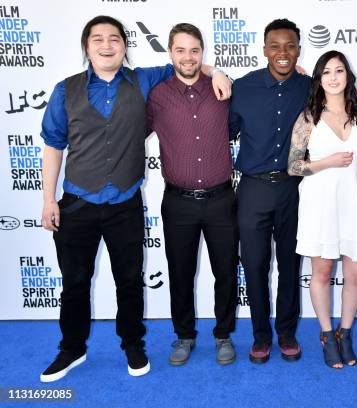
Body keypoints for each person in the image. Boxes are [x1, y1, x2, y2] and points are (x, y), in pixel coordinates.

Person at [39, 15, 231, 382]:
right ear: (87, 47)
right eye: (98, 39)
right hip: (77, 202)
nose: (107, 45)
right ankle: (72, 349)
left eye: (114, 38)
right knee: (74, 280)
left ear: (125, 46)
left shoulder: (143, 79)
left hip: (125, 203)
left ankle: (133, 344)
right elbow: (53, 145)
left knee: (129, 280)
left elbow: (187, 63)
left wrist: (216, 70)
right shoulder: (66, 90)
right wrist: (49, 199)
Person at [146, 23, 238, 367]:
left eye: (194, 50)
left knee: (226, 271)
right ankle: (183, 335)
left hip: (221, 200)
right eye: (181, 50)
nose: (188, 57)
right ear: (170, 53)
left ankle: (223, 334)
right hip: (178, 201)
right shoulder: (156, 96)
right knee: (180, 272)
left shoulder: (224, 89)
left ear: (203, 53)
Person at [287, 50, 357, 368]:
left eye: (339, 70)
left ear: (348, 76)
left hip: (354, 201)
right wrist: (326, 162)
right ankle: (326, 334)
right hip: (320, 203)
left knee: (356, 275)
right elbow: (293, 166)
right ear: (319, 79)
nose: (334, 77)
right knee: (322, 272)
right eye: (327, 72)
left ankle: (345, 333)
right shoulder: (310, 116)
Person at [230, 18, 310, 364]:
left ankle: (287, 333)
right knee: (254, 265)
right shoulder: (242, 88)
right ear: (264, 50)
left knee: (291, 265)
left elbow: (342, 112)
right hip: (252, 190)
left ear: (298, 50)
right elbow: (227, 132)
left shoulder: (311, 88)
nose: (282, 52)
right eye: (275, 46)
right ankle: (261, 335)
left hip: (295, 189)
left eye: (290, 45)